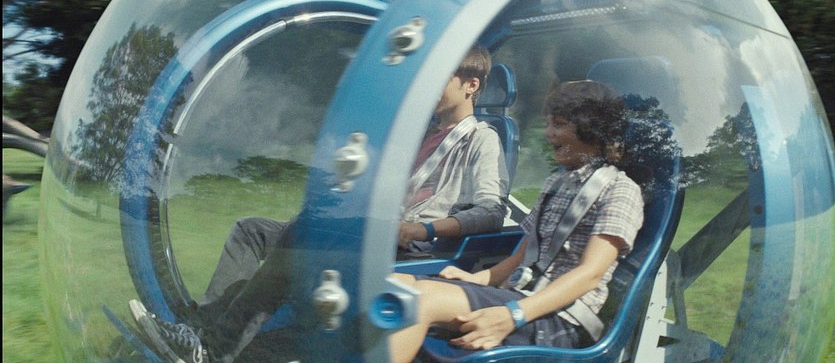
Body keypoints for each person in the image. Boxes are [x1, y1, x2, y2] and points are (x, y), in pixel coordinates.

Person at [129, 45, 510, 363]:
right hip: (368, 230)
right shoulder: (420, 134)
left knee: (300, 235)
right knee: (251, 230)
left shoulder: (481, 139)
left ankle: (213, 351)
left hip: (405, 247)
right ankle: (199, 330)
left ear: (471, 85)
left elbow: (491, 211)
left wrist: (422, 229)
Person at [386, 79, 644, 362]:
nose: (548, 133)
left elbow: (590, 274)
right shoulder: (558, 182)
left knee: (416, 301)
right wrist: (479, 278)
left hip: (558, 319)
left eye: (558, 125)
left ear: (592, 130)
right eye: (548, 124)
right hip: (521, 297)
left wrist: (513, 315)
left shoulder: (620, 190)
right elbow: (524, 252)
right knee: (392, 285)